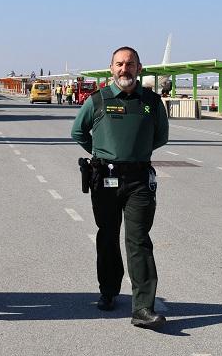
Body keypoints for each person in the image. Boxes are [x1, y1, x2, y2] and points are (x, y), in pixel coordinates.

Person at [71, 46, 169, 329]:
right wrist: (102, 153)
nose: (124, 69)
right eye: (119, 64)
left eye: (130, 64)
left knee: (138, 240)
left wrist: (133, 154)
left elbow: (161, 136)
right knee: (108, 235)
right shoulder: (98, 100)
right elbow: (78, 131)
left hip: (138, 180)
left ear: (139, 68)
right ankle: (109, 291)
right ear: (111, 69)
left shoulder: (151, 101)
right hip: (105, 180)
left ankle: (142, 308)